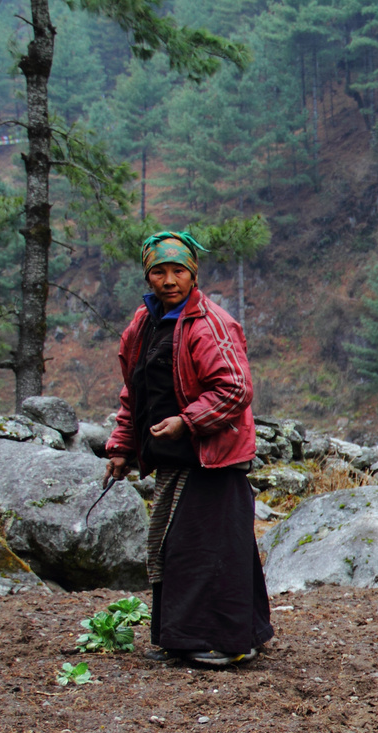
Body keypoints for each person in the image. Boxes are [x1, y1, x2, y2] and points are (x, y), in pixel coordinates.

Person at [103, 231, 272, 666]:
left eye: (178, 270)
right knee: (173, 549)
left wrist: (187, 421)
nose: (169, 279)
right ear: (147, 275)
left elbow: (235, 389)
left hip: (212, 459)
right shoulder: (144, 324)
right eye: (159, 271)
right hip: (174, 460)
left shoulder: (211, 324)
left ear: (193, 274)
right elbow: (134, 391)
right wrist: (122, 445)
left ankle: (226, 642)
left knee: (207, 552)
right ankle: (182, 639)